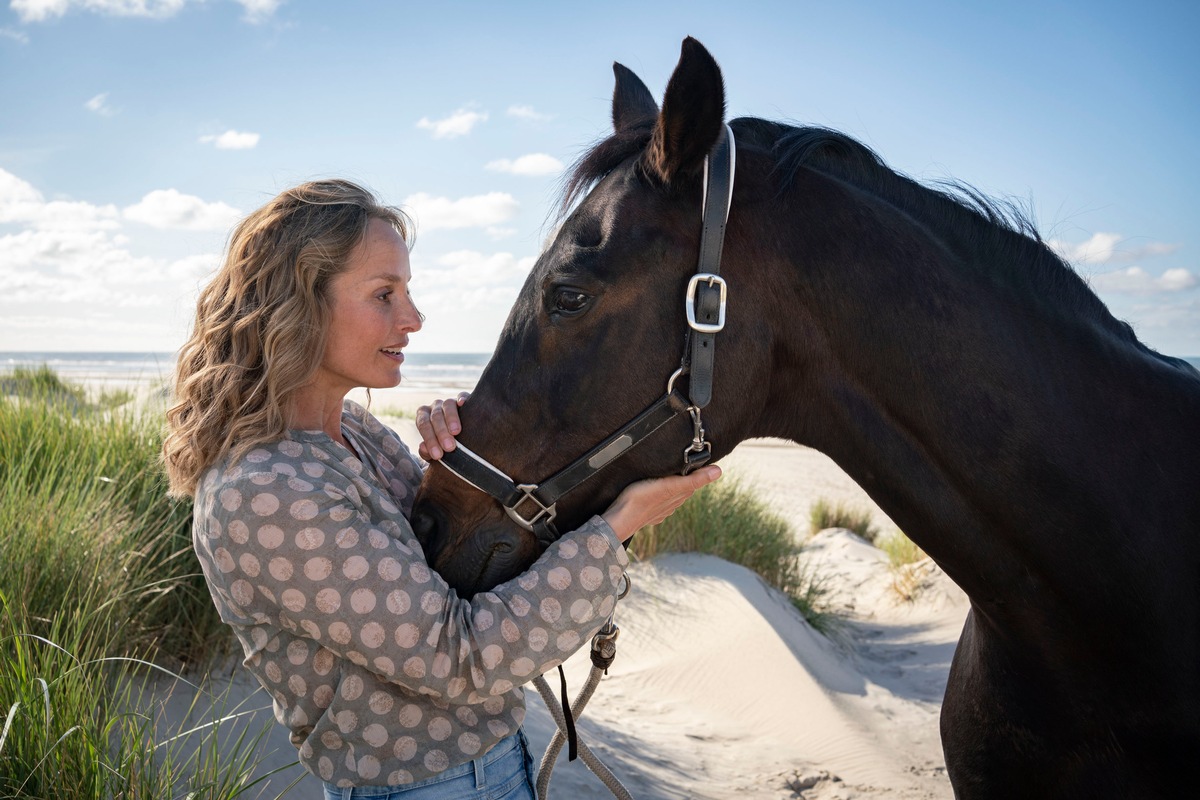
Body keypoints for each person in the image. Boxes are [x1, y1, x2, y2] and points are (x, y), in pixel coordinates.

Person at [162, 179, 721, 799]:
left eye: (407, 291)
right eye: (384, 295)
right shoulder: (264, 493)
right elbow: (461, 656)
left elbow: (450, 578)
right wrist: (613, 532)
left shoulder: (353, 433)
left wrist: (469, 465)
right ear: (299, 305)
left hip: (487, 768)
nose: (414, 319)